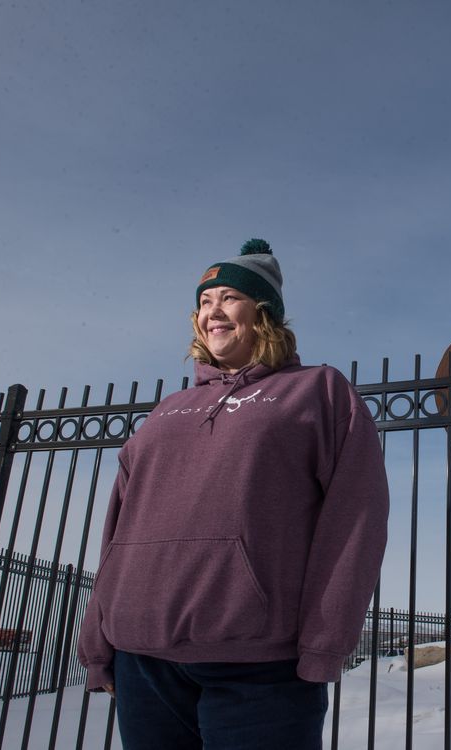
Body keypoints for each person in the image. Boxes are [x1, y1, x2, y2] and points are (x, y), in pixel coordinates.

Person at [78, 239, 389, 749]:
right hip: (142, 659)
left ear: (263, 311)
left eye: (228, 297)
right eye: (204, 301)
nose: (212, 311)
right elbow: (119, 524)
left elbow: (355, 520)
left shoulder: (319, 390)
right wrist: (98, 641)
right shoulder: (168, 408)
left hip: (258, 666)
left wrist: (324, 644)